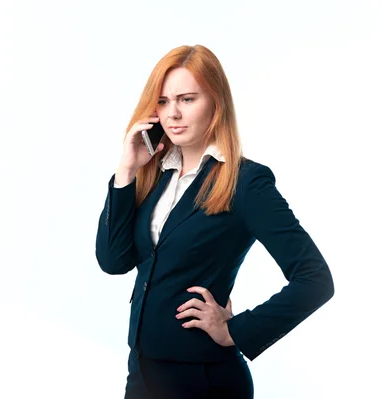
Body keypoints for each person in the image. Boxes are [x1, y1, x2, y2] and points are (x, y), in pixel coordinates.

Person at [95, 44, 334, 399]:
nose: (172, 113)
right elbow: (114, 262)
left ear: (215, 102)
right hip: (143, 371)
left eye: (187, 99)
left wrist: (236, 331)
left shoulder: (245, 182)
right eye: (163, 102)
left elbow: (315, 279)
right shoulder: (153, 176)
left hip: (204, 380)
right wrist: (127, 170)